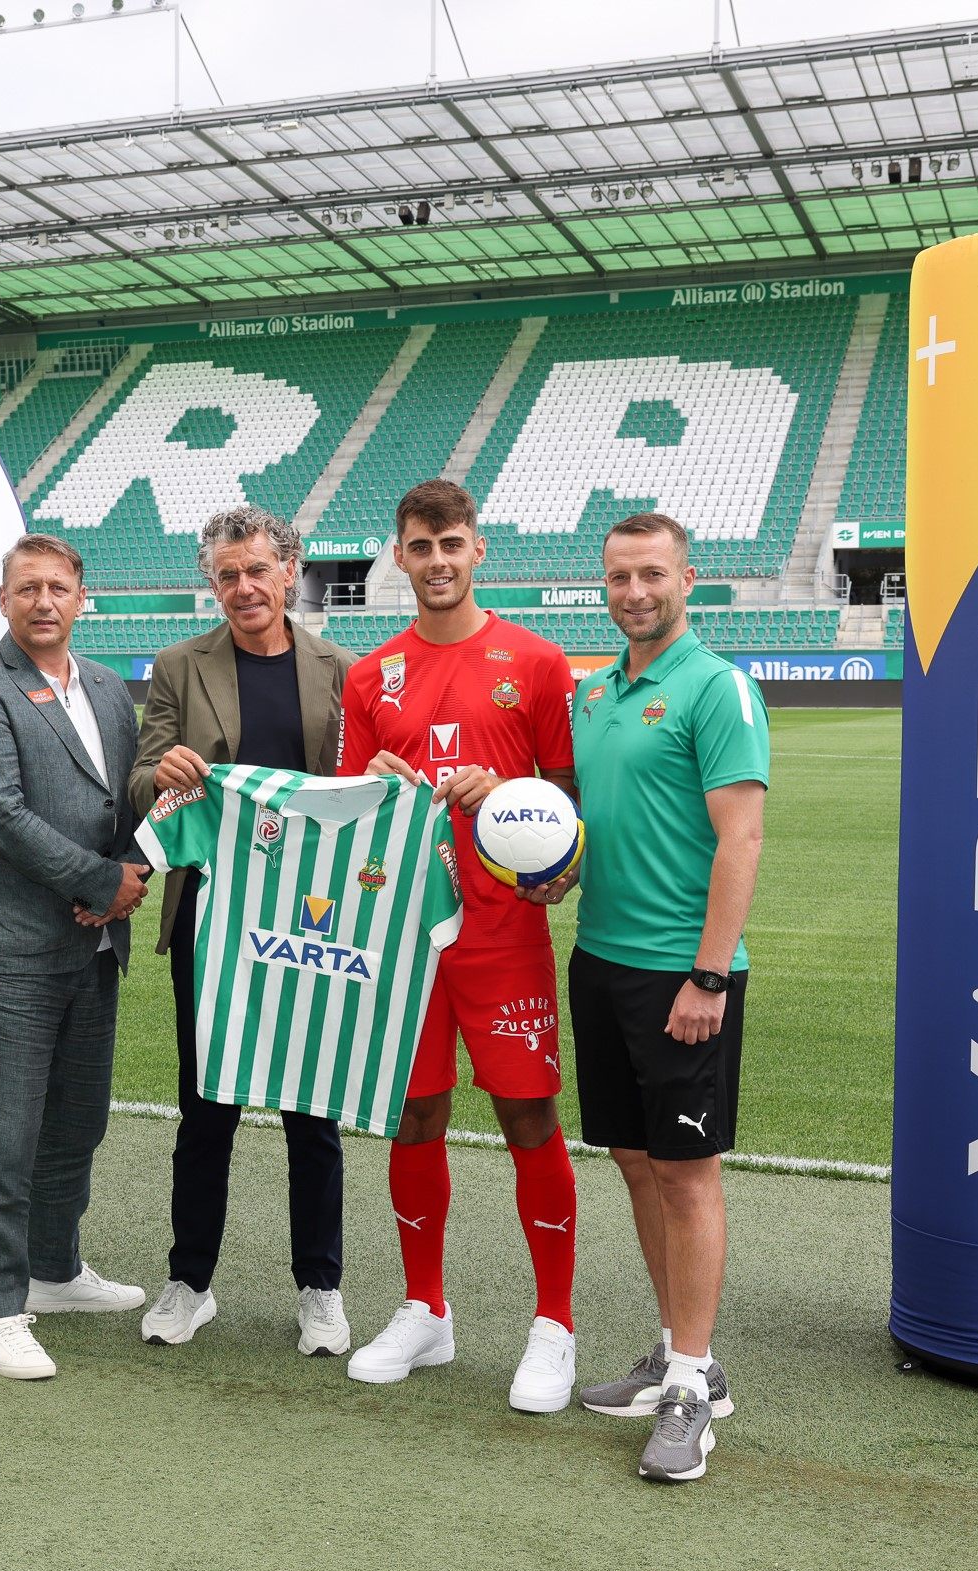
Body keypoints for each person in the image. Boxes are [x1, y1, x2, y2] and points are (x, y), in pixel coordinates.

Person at [337, 478, 581, 1411]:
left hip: (502, 935)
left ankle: (552, 1323)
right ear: (396, 556)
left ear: (478, 549)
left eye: (452, 543)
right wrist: (373, 777)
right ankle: (424, 1309)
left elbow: (568, 809)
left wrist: (514, 806)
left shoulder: (538, 661)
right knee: (415, 1116)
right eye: (419, 545)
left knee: (527, 1118)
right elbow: (350, 811)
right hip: (404, 937)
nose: (436, 561)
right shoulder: (371, 677)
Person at [541, 511, 767, 1482]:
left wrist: (707, 974)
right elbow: (593, 825)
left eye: (649, 574)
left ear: (686, 577)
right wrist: (554, 872)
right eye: (617, 576)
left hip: (683, 973)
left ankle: (689, 1385)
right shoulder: (592, 692)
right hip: (598, 960)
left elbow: (739, 840)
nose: (632, 590)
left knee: (685, 1172)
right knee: (634, 1161)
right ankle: (677, 1345)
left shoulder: (715, 685)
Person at [130, 504, 355, 1357]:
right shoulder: (178, 664)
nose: (242, 588)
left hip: (316, 914)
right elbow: (140, 780)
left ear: (288, 569)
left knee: (311, 1113)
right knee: (207, 1106)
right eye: (226, 575)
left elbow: (367, 780)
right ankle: (190, 1280)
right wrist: (165, 772)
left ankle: (320, 1289)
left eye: (256, 570)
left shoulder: (341, 667)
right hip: (214, 916)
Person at [0, 532, 149, 1382]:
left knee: (75, 1124)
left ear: (81, 596)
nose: (44, 601)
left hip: (91, 947)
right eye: (27, 588)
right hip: (6, 951)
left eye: (58, 587)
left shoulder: (103, 687)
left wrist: (137, 860)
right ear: (3, 600)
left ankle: (53, 1269)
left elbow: (120, 803)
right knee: (3, 1138)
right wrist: (101, 878)